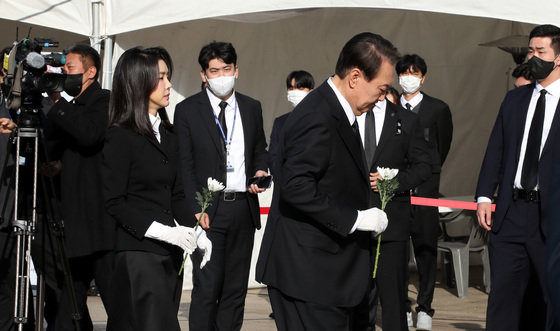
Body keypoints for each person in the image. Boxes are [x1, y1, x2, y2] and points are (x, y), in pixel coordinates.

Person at [256, 32, 397, 331]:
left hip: (329, 276)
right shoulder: (317, 114)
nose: (382, 97)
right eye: (381, 88)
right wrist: (355, 219)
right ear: (355, 77)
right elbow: (296, 185)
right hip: (309, 276)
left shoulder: (338, 112)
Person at [102, 46, 204, 331]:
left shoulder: (169, 134)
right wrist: (165, 231)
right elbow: (114, 202)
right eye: (160, 78)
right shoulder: (121, 136)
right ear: (138, 82)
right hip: (138, 256)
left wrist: (196, 232)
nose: (169, 84)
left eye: (167, 76)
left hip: (167, 255)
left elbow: (178, 194)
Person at [174, 41, 269, 331]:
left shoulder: (252, 107)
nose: (221, 76)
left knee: (235, 289)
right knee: (207, 288)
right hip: (207, 212)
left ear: (236, 71)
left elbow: (259, 150)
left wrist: (262, 171)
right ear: (203, 75)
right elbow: (185, 166)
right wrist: (194, 208)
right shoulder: (188, 110)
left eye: (226, 69)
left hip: (243, 207)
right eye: (214, 71)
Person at [476, 24, 560, 330]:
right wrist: (485, 194)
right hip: (511, 213)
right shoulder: (515, 100)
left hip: (551, 216)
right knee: (504, 298)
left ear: (558, 58)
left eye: (541, 51)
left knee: (547, 300)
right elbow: (496, 148)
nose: (533, 56)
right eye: (531, 50)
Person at [43, 44, 114, 331]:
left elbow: (89, 135)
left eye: (69, 69)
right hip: (70, 222)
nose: (64, 75)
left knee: (115, 301)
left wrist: (57, 100)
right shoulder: (67, 109)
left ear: (91, 71)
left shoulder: (104, 100)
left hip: (98, 224)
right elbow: (54, 146)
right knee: (68, 303)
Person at [396, 54, 453, 330]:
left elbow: (442, 148)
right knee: (398, 252)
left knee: (426, 250)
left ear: (423, 77)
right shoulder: (391, 107)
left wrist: (427, 176)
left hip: (425, 191)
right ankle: (402, 306)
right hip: (396, 192)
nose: (408, 78)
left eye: (414, 73)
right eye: (404, 73)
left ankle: (425, 308)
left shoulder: (437, 109)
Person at [268, 70, 315, 176]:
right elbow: (273, 156)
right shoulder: (280, 122)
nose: (295, 92)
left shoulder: (321, 120)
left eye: (300, 88)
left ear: (311, 92)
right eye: (291, 88)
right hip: (286, 186)